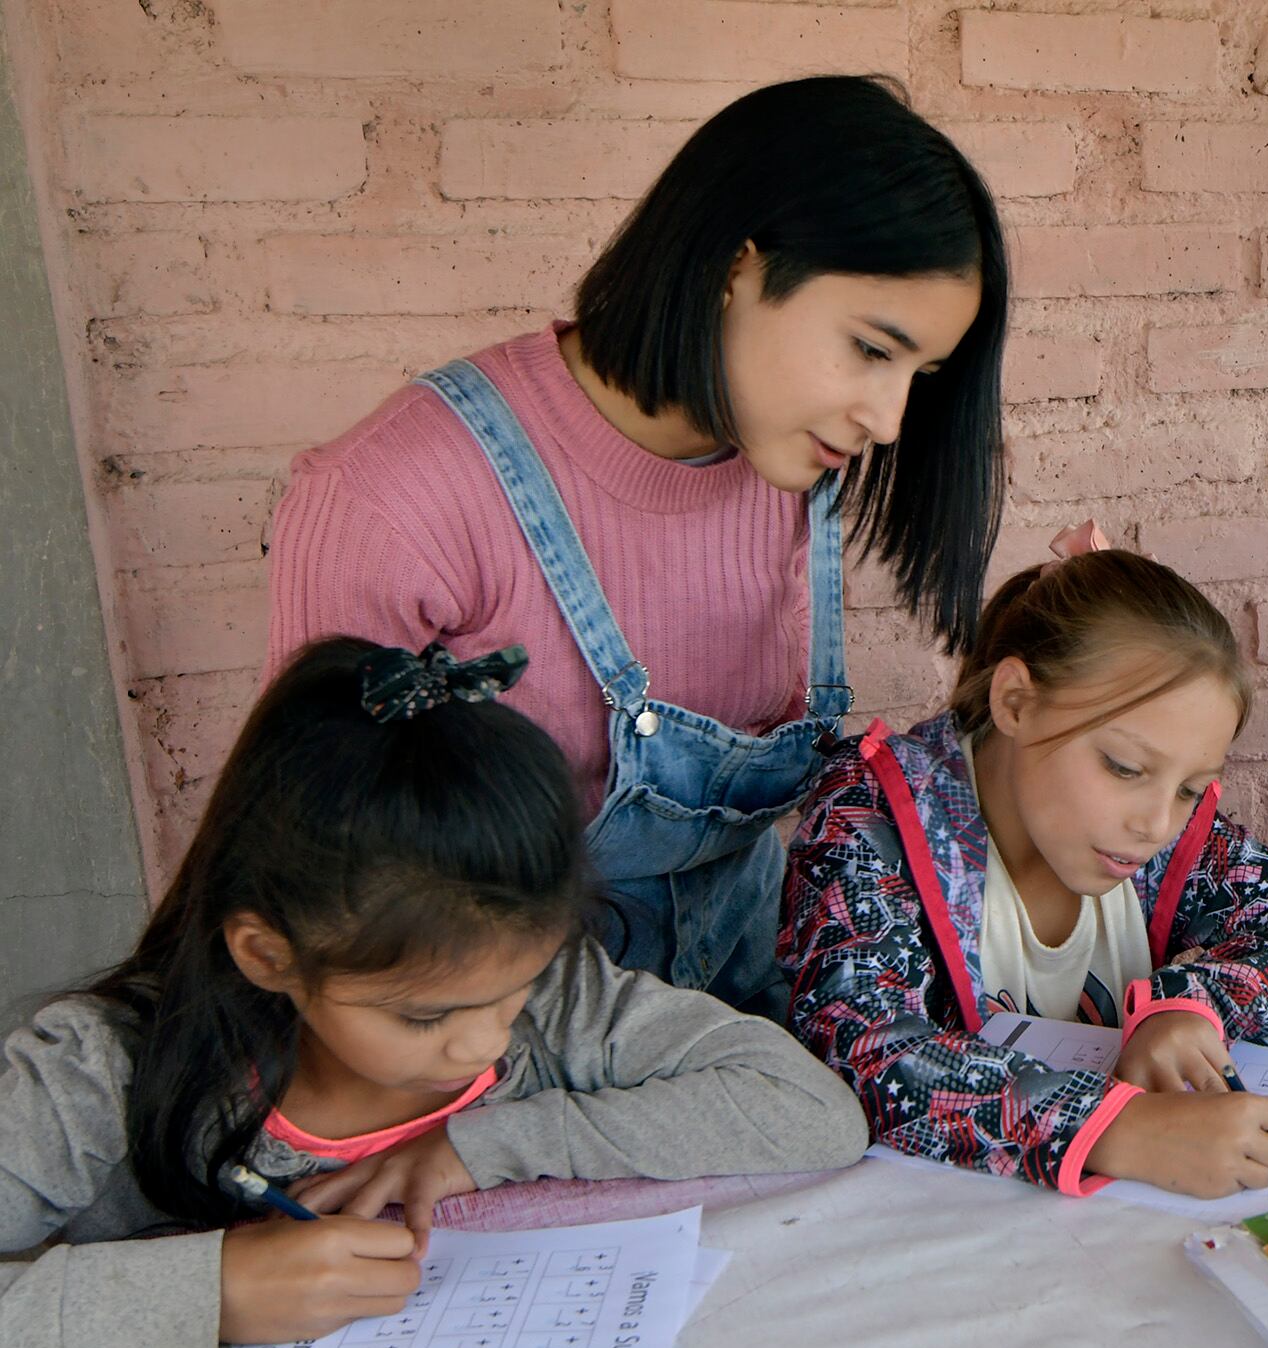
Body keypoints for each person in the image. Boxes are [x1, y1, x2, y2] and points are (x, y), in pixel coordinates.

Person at [265, 76, 1010, 1009]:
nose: (890, 420)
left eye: (920, 374)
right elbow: (325, 885)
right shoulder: (396, 495)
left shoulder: (787, 471)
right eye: (870, 348)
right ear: (737, 265)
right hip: (499, 1046)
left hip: (744, 1018)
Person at [0, 639, 866, 1348]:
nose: (486, 1043)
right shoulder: (99, 1075)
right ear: (271, 956)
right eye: (426, 1017)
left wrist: (476, 1147)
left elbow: (808, 1111)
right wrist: (209, 1293)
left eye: (512, 990)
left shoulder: (561, 1003)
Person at [780, 548, 1268, 1200]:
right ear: (1015, 702)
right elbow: (859, 1050)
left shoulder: (1170, 840)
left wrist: (1192, 1005)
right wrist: (1122, 1131)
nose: (1155, 824)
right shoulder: (872, 816)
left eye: (1190, 788)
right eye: (1123, 767)